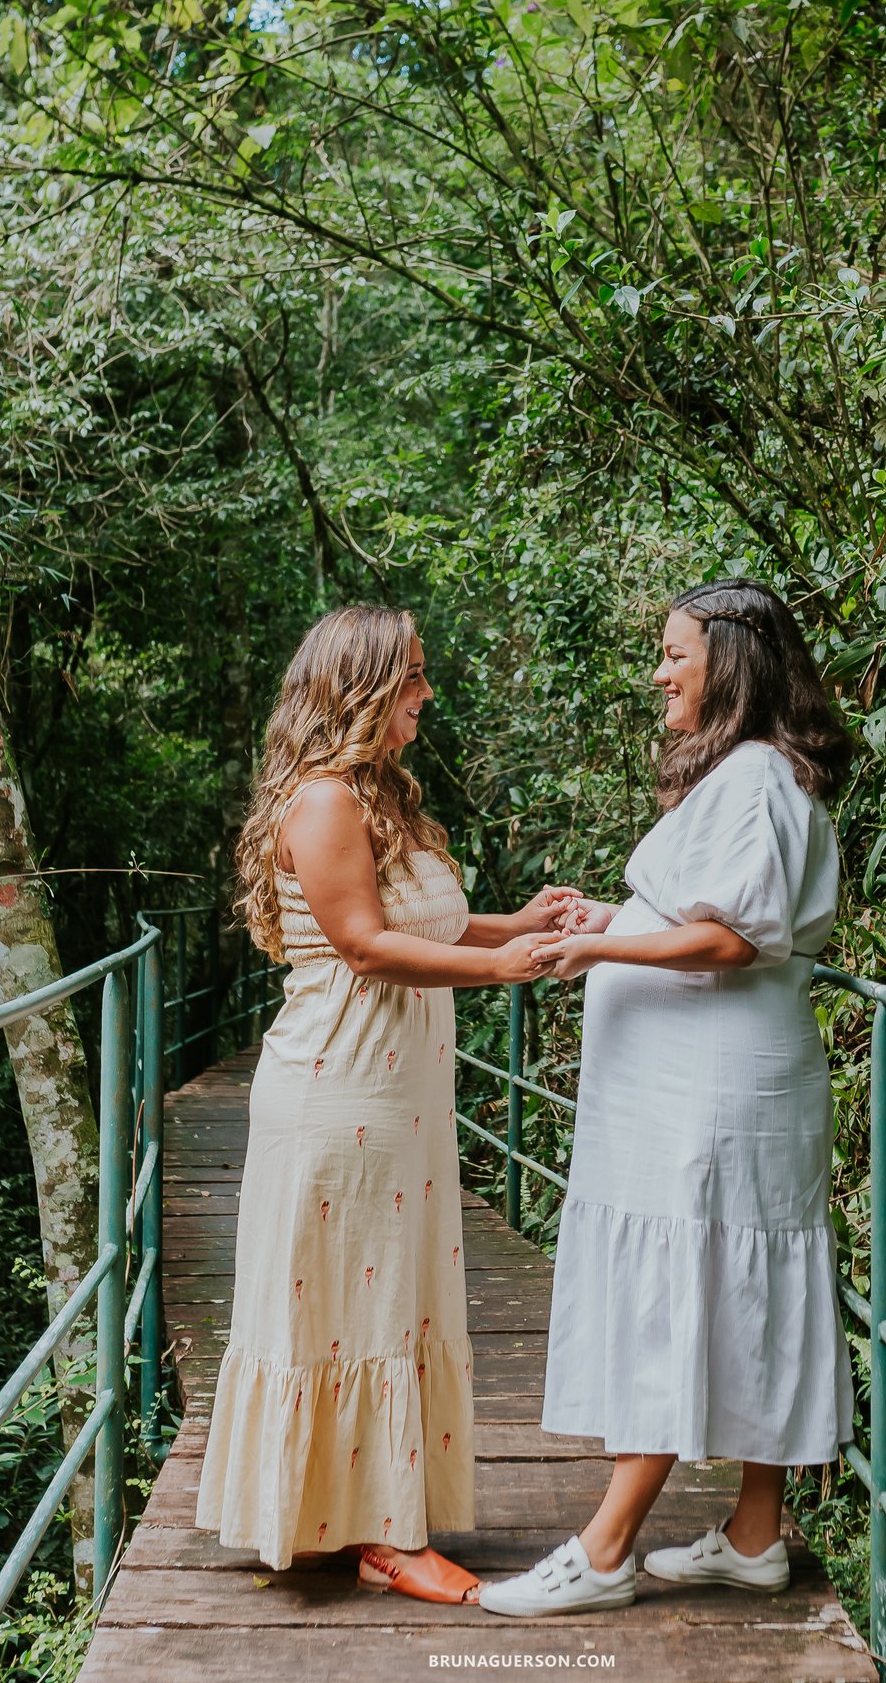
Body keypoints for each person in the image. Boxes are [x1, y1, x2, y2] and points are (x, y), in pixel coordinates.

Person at [478, 578, 855, 1618]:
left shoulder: (760, 781)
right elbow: (711, 911)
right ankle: (752, 1537)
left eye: (674, 653)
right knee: (739, 1287)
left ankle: (603, 1554)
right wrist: (620, 914)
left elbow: (735, 938)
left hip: (710, 1096)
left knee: (689, 1285)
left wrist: (596, 943)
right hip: (700, 1088)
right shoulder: (751, 776)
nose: (659, 672)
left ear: (730, 663)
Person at [196, 606, 573, 1602]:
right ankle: (385, 1534)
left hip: (394, 1101)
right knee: (356, 1305)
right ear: (359, 687)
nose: (426, 691)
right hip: (341, 1098)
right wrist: (501, 967)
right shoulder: (323, 804)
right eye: (411, 675)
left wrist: (511, 922)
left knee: (381, 1300)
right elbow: (363, 943)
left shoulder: (379, 801)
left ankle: (349, 1514)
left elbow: (418, 918)